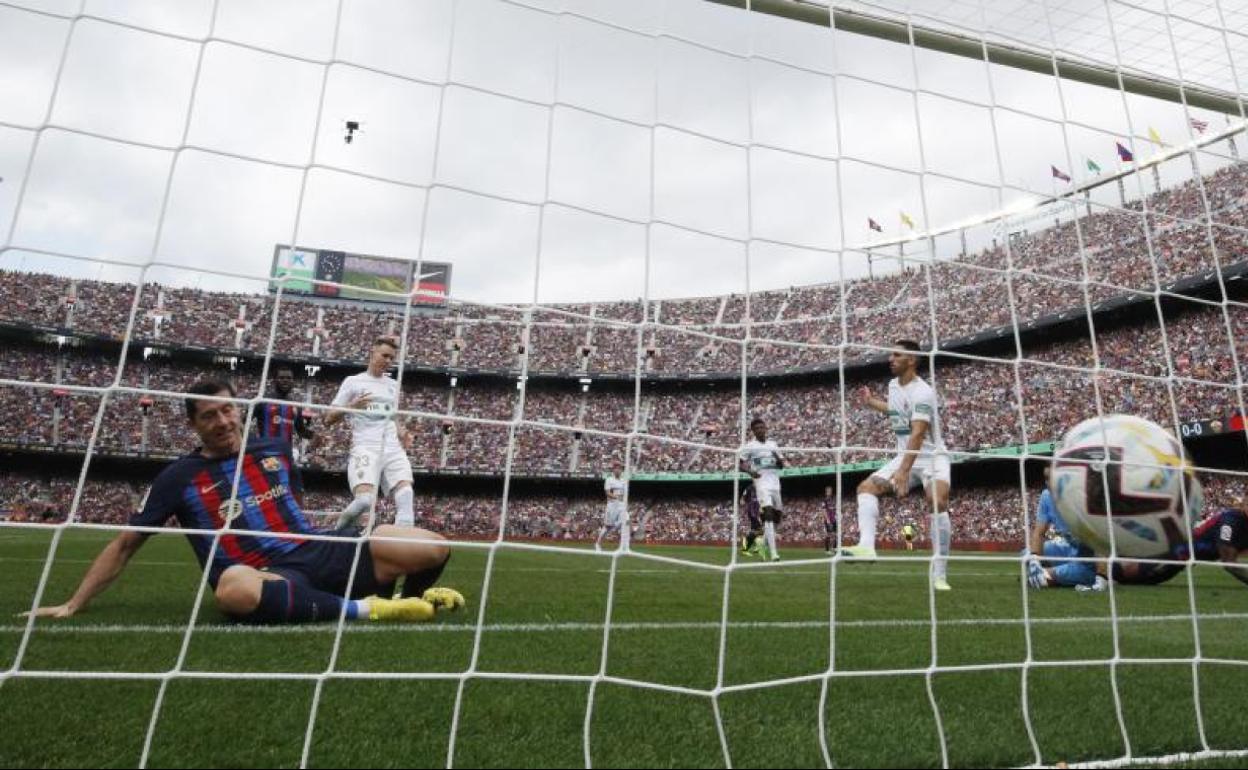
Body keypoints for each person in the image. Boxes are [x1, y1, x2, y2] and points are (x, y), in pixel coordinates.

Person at [23, 380, 463, 625]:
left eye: (228, 410)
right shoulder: (179, 478)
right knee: (232, 588)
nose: (222, 421)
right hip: (265, 573)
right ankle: (369, 609)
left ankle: (414, 599)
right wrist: (73, 603)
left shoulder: (273, 449)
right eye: (209, 415)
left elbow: (290, 502)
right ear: (193, 424)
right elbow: (124, 545)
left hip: (317, 549)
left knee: (431, 546)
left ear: (239, 410)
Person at [845, 340, 953, 591]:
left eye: (896, 355)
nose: (890, 359)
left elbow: (917, 434)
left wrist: (903, 472)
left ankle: (939, 574)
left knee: (937, 500)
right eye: (890, 354)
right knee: (866, 488)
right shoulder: (893, 385)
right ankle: (867, 547)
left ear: (912, 360)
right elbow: (896, 412)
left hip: (931, 457)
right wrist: (872, 402)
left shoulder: (923, 392)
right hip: (904, 455)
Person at [325, 337, 416, 529]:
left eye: (392, 358)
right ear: (372, 353)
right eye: (384, 355)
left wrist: (402, 432)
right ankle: (336, 534)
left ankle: (400, 548)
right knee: (365, 501)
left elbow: (392, 415)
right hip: (366, 446)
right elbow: (329, 419)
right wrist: (352, 406)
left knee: (406, 494)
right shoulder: (353, 382)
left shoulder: (392, 385)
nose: (388, 361)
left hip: (392, 446)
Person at [739, 417, 785, 562]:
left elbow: (781, 465)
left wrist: (778, 459)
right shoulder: (750, 446)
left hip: (775, 484)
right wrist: (750, 472)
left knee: (777, 516)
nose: (760, 430)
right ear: (753, 431)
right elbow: (740, 464)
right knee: (768, 514)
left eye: (761, 427)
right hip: (761, 483)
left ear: (766, 428)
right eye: (756, 428)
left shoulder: (773, 444)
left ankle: (763, 543)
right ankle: (774, 553)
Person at [596, 461, 630, 553]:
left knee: (626, 521)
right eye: (617, 468)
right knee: (607, 527)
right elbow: (607, 493)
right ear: (613, 469)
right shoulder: (609, 480)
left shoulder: (624, 481)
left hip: (621, 505)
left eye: (620, 468)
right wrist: (616, 497)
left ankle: (625, 547)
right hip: (612, 505)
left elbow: (625, 494)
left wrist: (624, 500)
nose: (618, 470)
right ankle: (598, 544)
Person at [822, 485, 838, 554]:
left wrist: (836, 517)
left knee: (835, 534)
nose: (830, 492)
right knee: (828, 534)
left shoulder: (833, 500)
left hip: (834, 519)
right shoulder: (824, 500)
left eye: (830, 491)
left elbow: (834, 510)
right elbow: (824, 510)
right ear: (826, 492)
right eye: (828, 491)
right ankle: (827, 550)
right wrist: (827, 520)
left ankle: (834, 549)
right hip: (828, 520)